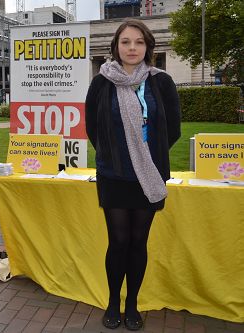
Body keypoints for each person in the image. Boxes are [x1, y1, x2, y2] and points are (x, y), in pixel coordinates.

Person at [85, 19, 180, 331]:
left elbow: (172, 129)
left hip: (148, 176)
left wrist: (145, 157)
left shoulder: (161, 82)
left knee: (139, 241)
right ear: (116, 46)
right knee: (118, 240)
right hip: (113, 175)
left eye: (138, 42)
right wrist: (115, 154)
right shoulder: (101, 82)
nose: (132, 48)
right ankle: (114, 302)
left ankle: (133, 304)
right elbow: (93, 128)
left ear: (147, 47)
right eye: (126, 42)